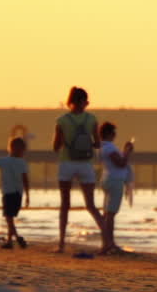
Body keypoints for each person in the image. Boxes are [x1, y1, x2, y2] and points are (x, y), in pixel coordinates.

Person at [52, 86, 105, 252]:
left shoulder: (61, 120)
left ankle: (61, 243)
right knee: (91, 205)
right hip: (85, 163)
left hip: (67, 163)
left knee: (65, 204)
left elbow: (56, 146)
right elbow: (97, 143)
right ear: (83, 102)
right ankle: (107, 239)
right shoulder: (92, 119)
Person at [97, 122, 135, 255]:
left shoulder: (103, 147)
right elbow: (121, 163)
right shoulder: (109, 148)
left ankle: (106, 243)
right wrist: (127, 151)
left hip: (108, 179)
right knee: (110, 214)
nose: (115, 135)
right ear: (109, 134)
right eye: (114, 133)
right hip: (115, 181)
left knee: (107, 214)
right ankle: (109, 244)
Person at [0, 133, 32, 249]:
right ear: (13, 148)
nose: (22, 152)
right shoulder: (6, 161)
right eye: (21, 149)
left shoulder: (16, 162)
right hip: (12, 193)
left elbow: (25, 179)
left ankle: (16, 238)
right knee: (9, 217)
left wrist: (28, 195)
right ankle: (10, 240)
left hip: (13, 193)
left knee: (9, 217)